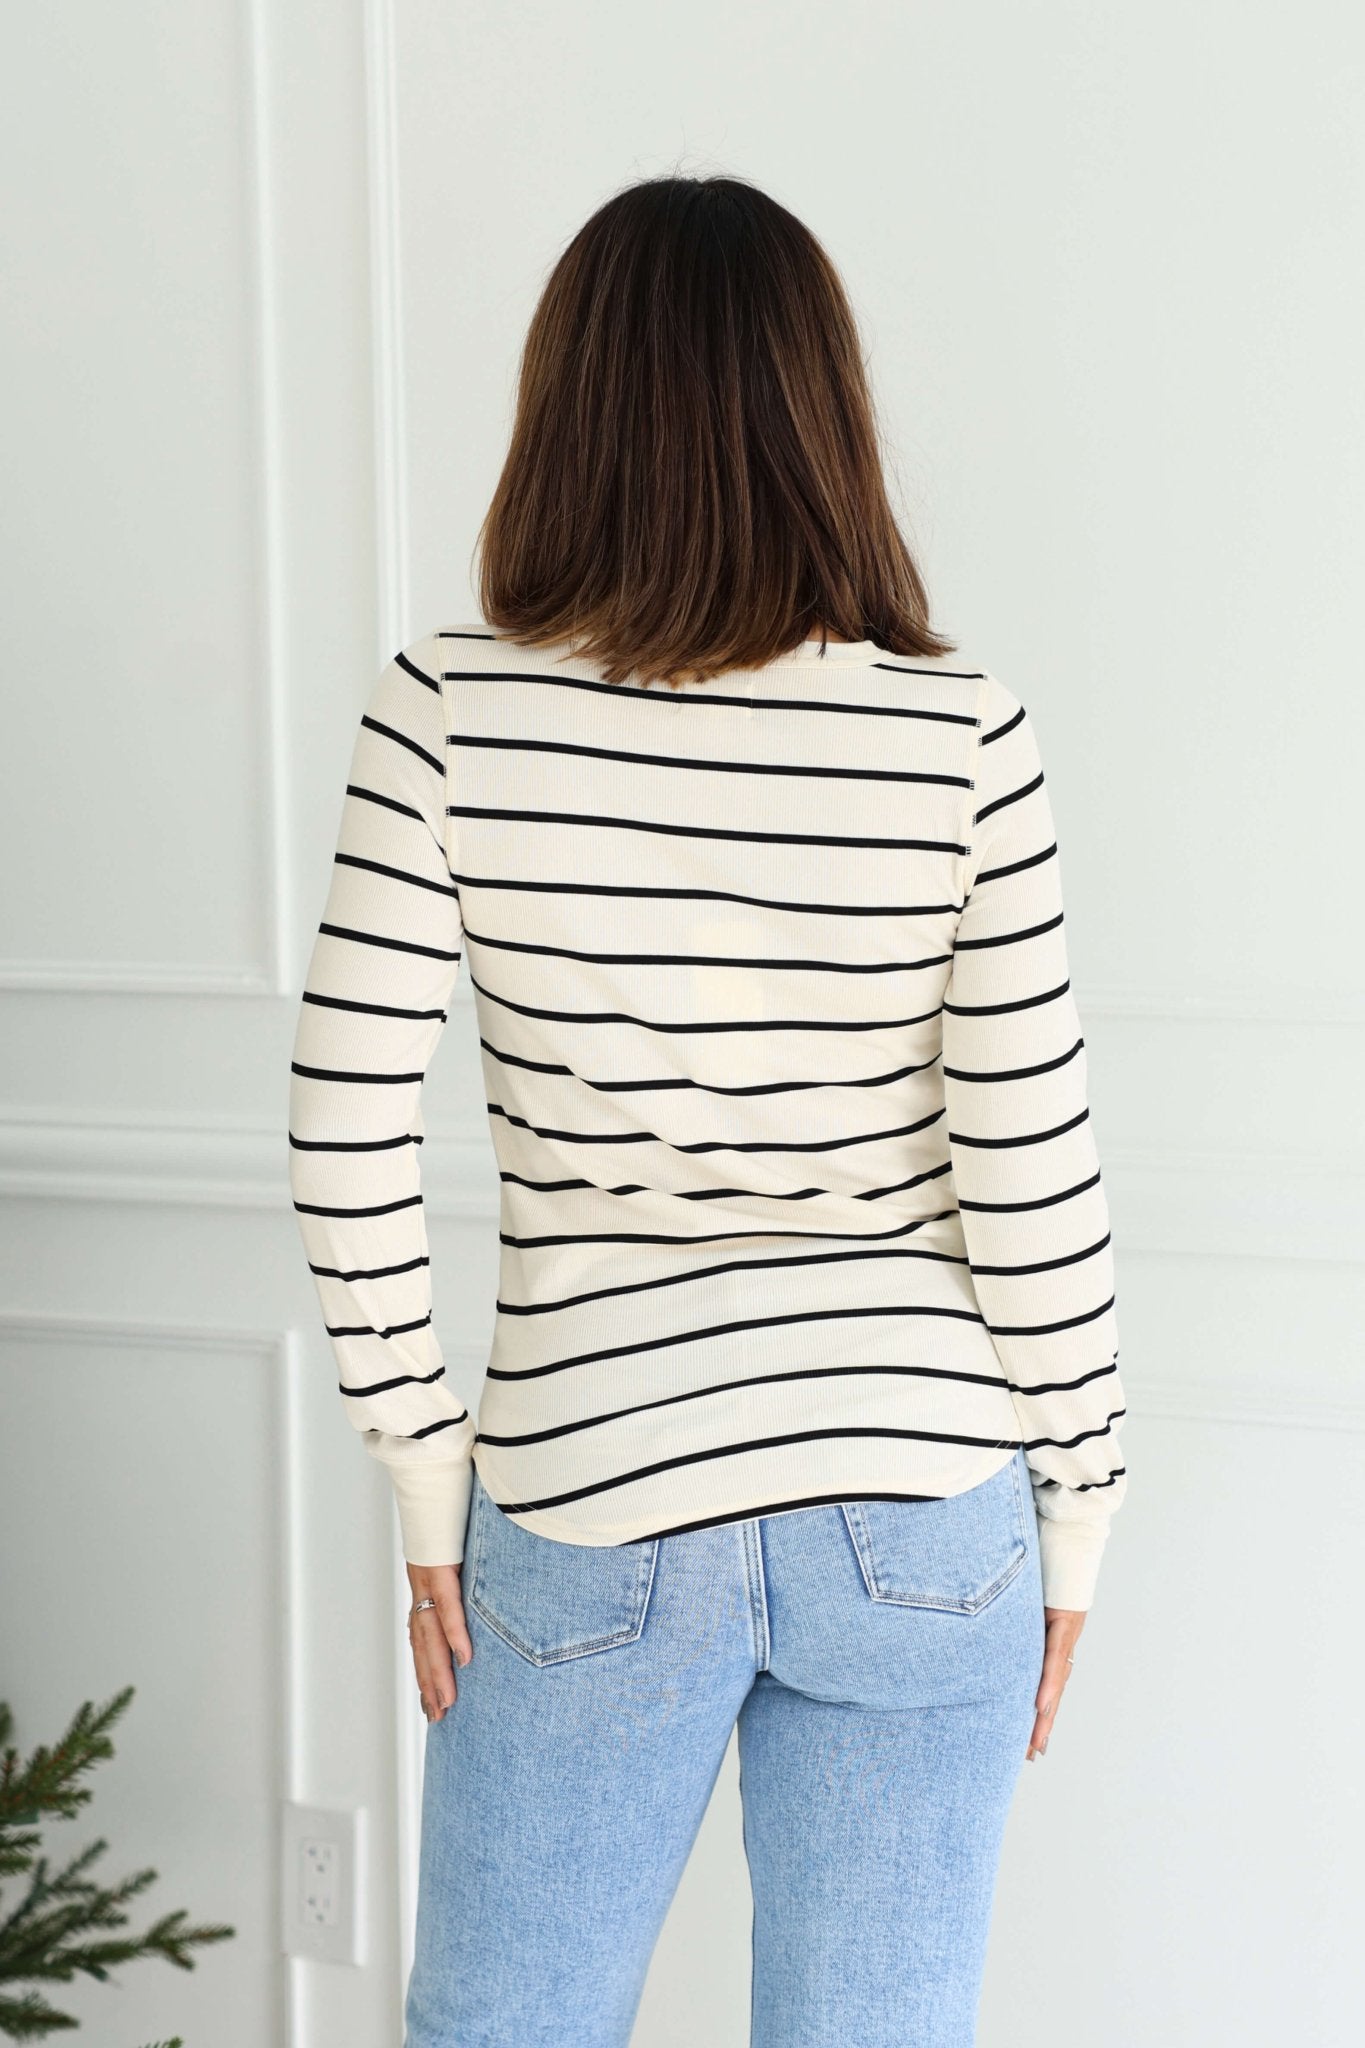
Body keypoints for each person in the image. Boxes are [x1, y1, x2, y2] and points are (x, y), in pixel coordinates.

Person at [287, 172, 1127, 2048]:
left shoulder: (450, 714)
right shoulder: (958, 731)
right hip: (923, 1506)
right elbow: (1031, 1168)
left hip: (595, 1490)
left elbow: (344, 1137)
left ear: (565, 404)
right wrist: (1076, 1511)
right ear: (822, 413)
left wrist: (426, 1478)